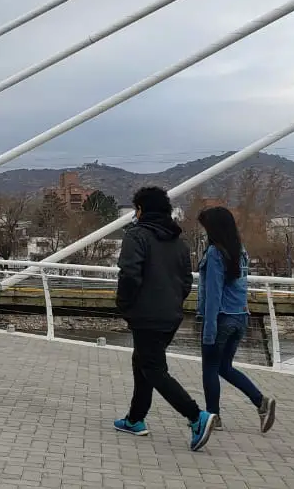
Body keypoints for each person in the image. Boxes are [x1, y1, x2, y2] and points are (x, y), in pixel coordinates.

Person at [113, 186, 217, 452]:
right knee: (143, 362)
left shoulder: (136, 236)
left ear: (140, 209)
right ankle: (135, 419)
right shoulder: (178, 242)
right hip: (171, 315)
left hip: (145, 315)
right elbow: (186, 281)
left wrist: (124, 304)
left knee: (154, 369)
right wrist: (172, 302)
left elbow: (129, 274)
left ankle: (196, 416)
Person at [196, 206, 278, 433]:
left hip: (221, 318)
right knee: (224, 367)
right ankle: (261, 402)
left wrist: (209, 329)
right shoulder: (240, 251)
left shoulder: (215, 253)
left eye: (205, 227)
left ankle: (213, 417)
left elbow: (214, 294)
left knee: (210, 368)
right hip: (240, 317)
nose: (204, 232)